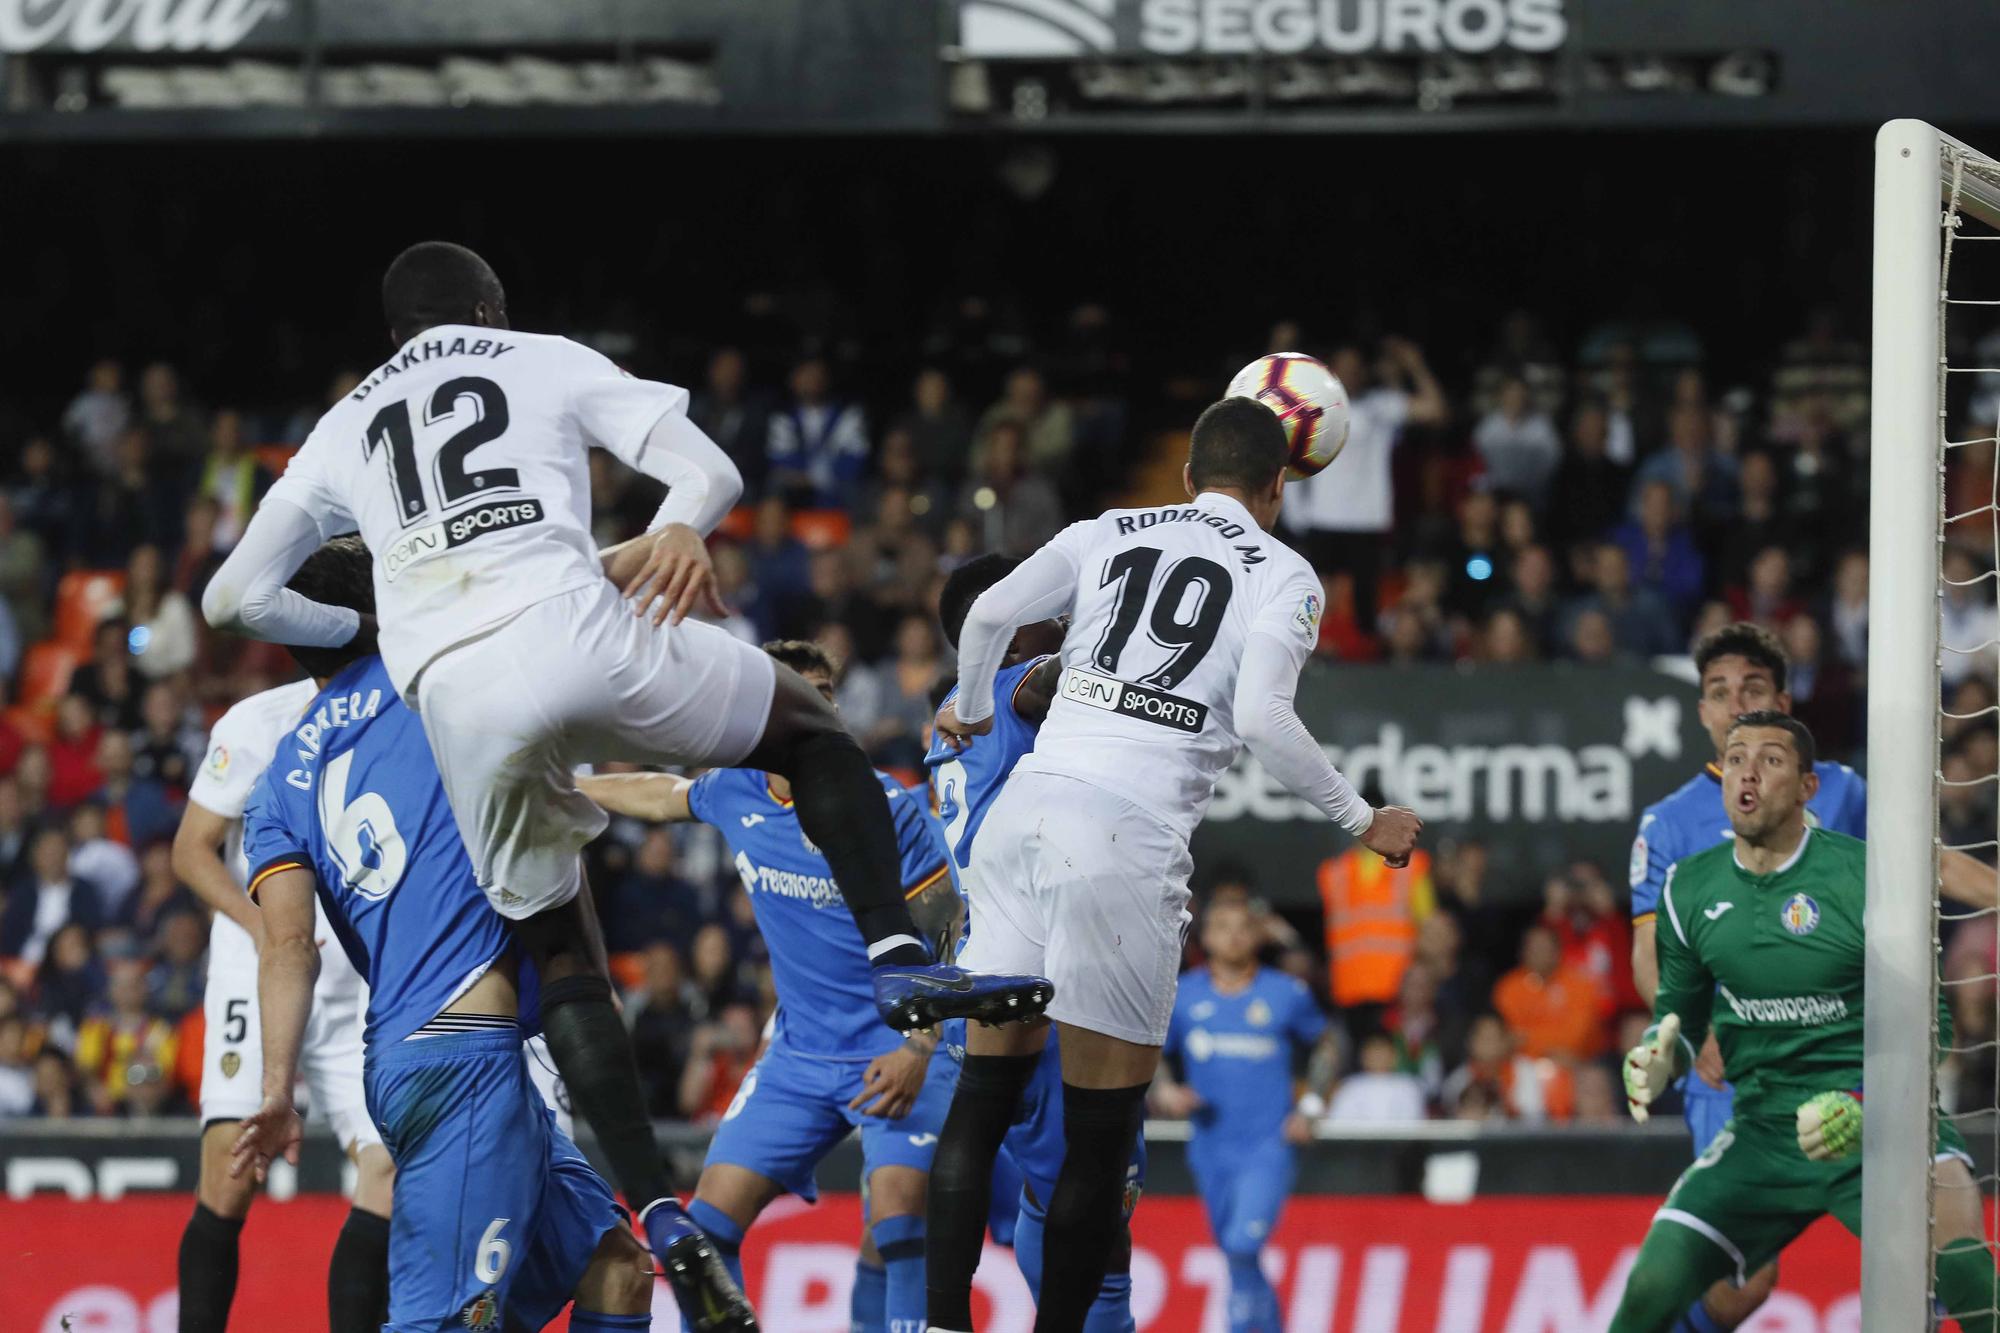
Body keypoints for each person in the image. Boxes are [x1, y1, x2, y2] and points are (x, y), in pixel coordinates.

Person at [200, 241, 1050, 1265]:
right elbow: (712, 470)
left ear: (391, 336)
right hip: (583, 627)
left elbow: (232, 598)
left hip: (456, 701)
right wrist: (682, 523)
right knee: (806, 730)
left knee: (562, 953)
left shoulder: (343, 426)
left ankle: (653, 1208)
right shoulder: (542, 355)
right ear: (491, 305)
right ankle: (897, 958)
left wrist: (374, 636)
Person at [925, 396, 1422, 1330]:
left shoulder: (1107, 527)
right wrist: (1361, 818)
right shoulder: (1285, 572)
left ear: (1189, 476)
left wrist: (974, 708)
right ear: (1279, 486)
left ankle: (943, 1324)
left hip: (1026, 812)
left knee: (983, 1098)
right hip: (1122, 837)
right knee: (1099, 1137)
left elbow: (988, 611)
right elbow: (1264, 719)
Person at [228, 537, 695, 1333]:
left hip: (421, 1055)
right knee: (446, 1324)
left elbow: (287, 947)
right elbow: (552, 586)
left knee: (617, 1266)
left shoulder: (277, 782)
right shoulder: (429, 680)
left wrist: (276, 1088)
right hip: (460, 1057)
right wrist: (671, 532)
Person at [577, 639, 962, 1333]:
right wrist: (565, 788)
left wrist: (920, 1043)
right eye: (798, 690)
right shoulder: (735, 789)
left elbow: (944, 929)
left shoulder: (888, 805)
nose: (815, 704)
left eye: (826, 691)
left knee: (902, 1219)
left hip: (898, 1042)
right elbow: (660, 796)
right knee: (705, 1234)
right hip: (799, 1057)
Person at [1627, 621, 1999, 1331]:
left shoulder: (1845, 792)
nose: (1736, 703)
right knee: (1745, 1282)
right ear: (1702, 711)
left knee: (1941, 1245)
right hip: (1739, 1067)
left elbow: (1934, 863)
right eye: (1719, 692)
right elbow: (1652, 950)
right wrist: (1687, 1027)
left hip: (1848, 1055)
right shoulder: (1669, 824)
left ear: (1786, 702)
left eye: (1754, 688)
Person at [924, 552, 1142, 1330]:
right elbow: (1053, 677)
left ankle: (948, 1317)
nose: (1063, 610)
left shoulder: (952, 720)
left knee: (1038, 1185)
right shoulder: (1015, 690)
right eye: (1049, 602)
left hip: (981, 964)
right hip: (1047, 970)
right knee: (1096, 1200)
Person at [169, 663, 392, 1333]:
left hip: (357, 980)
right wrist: (266, 924)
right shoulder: (257, 721)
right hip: (257, 969)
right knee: (233, 1177)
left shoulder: (399, 711)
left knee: (391, 1174)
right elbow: (191, 849)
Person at [1154, 900, 1333, 1333]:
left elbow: (1326, 1045)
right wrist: (1166, 1090)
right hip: (1210, 1146)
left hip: (1268, 1145)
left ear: (1258, 936)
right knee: (1235, 1251)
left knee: (1242, 1242)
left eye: (1243, 927)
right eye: (1222, 926)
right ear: (1206, 937)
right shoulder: (1184, 995)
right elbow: (1153, 1048)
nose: (1233, 935)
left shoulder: (1285, 992)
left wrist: (1311, 1107)